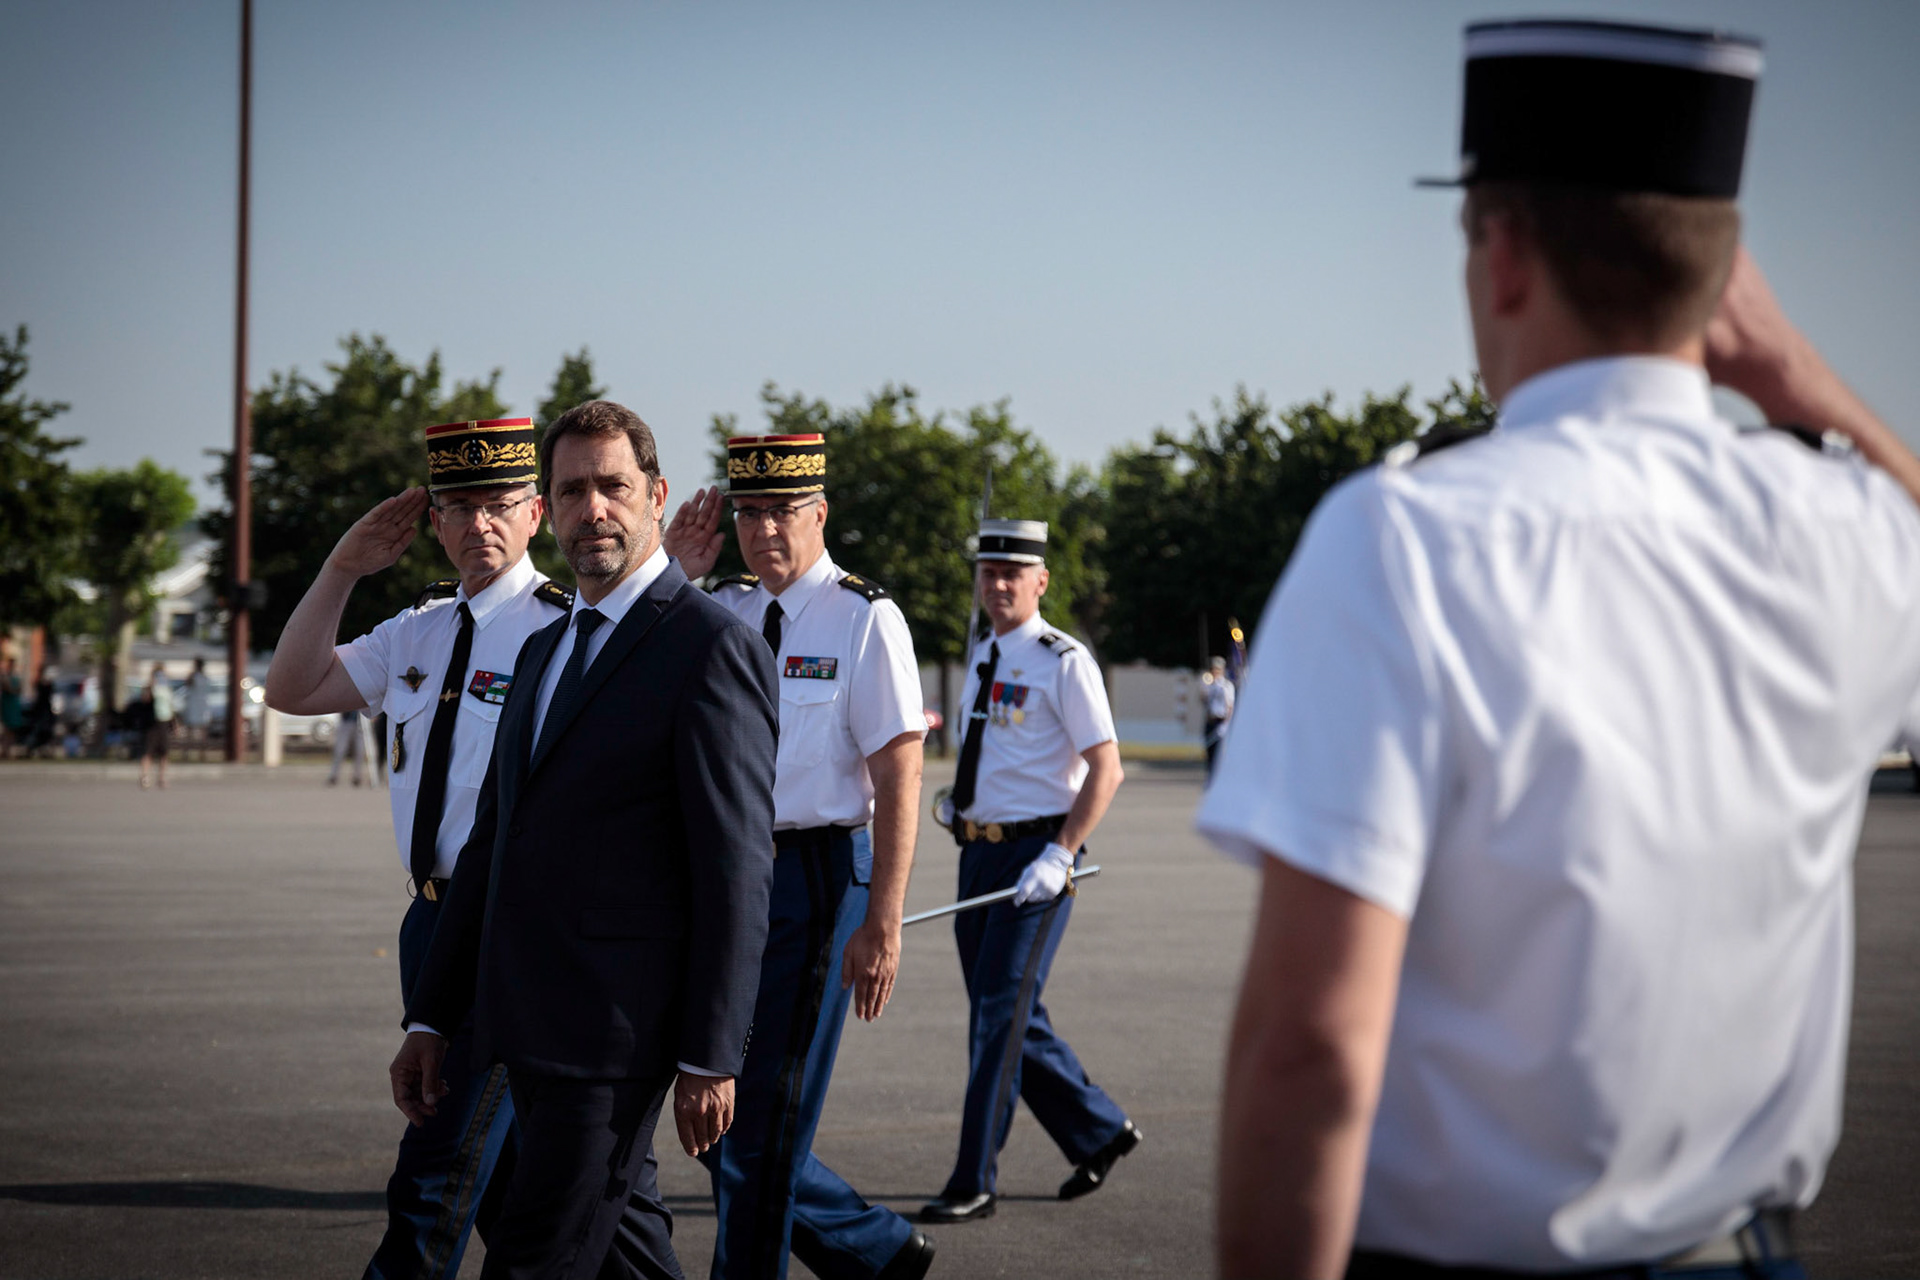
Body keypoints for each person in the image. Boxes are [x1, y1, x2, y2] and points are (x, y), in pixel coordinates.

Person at [1199, 19, 1920, 1278]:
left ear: (1507, 250)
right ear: (1723, 273)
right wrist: (1811, 385)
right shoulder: (1849, 530)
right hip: (1744, 1251)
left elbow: (1311, 1046)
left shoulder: (1405, 537)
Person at [391, 399, 779, 1280]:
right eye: (571, 490)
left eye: (612, 486)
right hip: (522, 1018)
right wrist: (433, 1016)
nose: (592, 508)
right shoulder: (545, 649)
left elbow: (737, 870)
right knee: (626, 1251)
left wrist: (711, 1054)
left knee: (533, 1257)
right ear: (549, 509)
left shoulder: (709, 646)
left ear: (655, 496)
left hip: (617, 1034)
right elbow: (493, 845)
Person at [265, 415, 567, 1280]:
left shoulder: (565, 631)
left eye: (500, 504)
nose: (480, 525)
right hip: (428, 922)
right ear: (433, 520)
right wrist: (341, 570)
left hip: (509, 928)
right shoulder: (419, 630)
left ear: (535, 513)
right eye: (459, 507)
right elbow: (292, 688)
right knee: (514, 1185)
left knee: (435, 1173)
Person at [664, 434, 936, 1280]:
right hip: (725, 876)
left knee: (761, 1131)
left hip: (816, 881)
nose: (764, 530)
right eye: (749, 512)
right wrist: (674, 569)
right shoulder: (725, 608)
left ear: (820, 513)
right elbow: (628, 655)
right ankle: (875, 1249)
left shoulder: (863, 617)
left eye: (783, 511)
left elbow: (900, 773)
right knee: (712, 1117)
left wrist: (883, 922)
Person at [917, 517, 1140, 1226]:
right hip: (979, 853)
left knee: (994, 1018)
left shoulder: (1062, 659)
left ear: (1041, 581)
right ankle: (1099, 1129)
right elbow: (997, 757)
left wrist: (1062, 854)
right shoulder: (984, 652)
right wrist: (961, 803)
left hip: (1036, 862)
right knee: (1012, 1016)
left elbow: (1106, 769)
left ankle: (971, 1179)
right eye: (989, 572)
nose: (1000, 583)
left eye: (1014, 573)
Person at [137, 663, 174, 789]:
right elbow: (144, 701)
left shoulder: (166, 689)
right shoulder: (150, 688)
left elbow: (170, 706)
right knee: (148, 751)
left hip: (164, 721)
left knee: (164, 752)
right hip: (152, 723)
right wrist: (151, 686)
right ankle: (145, 776)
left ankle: (162, 778)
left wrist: (174, 723)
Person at [1200, 656, 1233, 777]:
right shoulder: (1209, 685)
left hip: (1221, 721)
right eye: (1213, 669)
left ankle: (1218, 776)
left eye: (1217, 670)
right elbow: (1203, 701)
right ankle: (1210, 774)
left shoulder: (1226, 685)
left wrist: (1225, 724)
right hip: (1210, 720)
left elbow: (1229, 706)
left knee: (1219, 753)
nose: (1215, 672)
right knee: (1209, 751)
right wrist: (1203, 689)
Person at [180, 657, 213, 760]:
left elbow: (189, 684)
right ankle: (193, 753)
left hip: (198, 705)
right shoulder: (201, 677)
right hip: (197, 705)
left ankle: (198, 753)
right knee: (195, 730)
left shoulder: (199, 677)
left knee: (198, 730)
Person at [329, 707, 371, 787]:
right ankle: (333, 775)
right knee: (340, 750)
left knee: (360, 751)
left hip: (360, 724)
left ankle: (357, 776)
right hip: (346, 721)